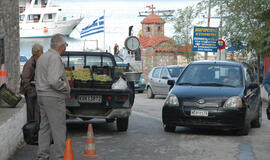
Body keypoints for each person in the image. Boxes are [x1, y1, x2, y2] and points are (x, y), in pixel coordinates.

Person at [35, 34, 70, 160]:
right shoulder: (55, 58)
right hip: (53, 97)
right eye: (65, 45)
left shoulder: (43, 57)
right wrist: (65, 88)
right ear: (61, 46)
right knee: (58, 128)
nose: (65, 47)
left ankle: (42, 155)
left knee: (44, 127)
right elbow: (54, 80)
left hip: (42, 95)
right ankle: (61, 156)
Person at [20, 43, 43, 122]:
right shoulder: (30, 63)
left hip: (34, 91)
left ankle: (35, 128)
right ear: (36, 53)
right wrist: (30, 91)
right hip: (30, 92)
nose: (43, 53)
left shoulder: (36, 62)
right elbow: (25, 79)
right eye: (41, 52)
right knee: (31, 113)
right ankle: (32, 129)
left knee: (36, 112)